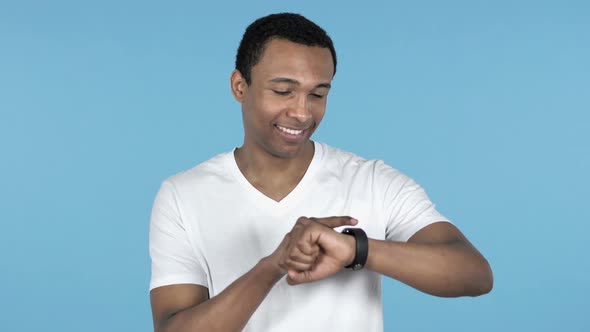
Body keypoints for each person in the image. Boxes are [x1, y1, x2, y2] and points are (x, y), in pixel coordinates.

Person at [148, 12, 493, 332]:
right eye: (284, 91)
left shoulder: (372, 181)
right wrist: (272, 266)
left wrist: (357, 250)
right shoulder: (184, 194)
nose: (302, 112)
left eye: (318, 94)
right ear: (240, 87)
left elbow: (474, 274)